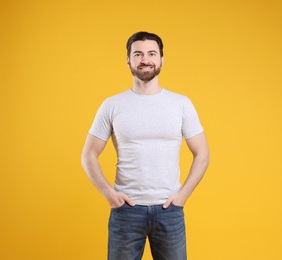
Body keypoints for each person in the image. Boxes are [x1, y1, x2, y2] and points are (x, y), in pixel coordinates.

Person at [81, 31, 210, 260]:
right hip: (126, 212)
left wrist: (182, 196)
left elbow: (202, 153)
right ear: (128, 60)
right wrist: (109, 194)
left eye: (152, 53)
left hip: (169, 211)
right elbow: (89, 154)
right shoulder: (112, 105)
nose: (145, 59)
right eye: (138, 54)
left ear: (162, 59)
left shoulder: (181, 104)